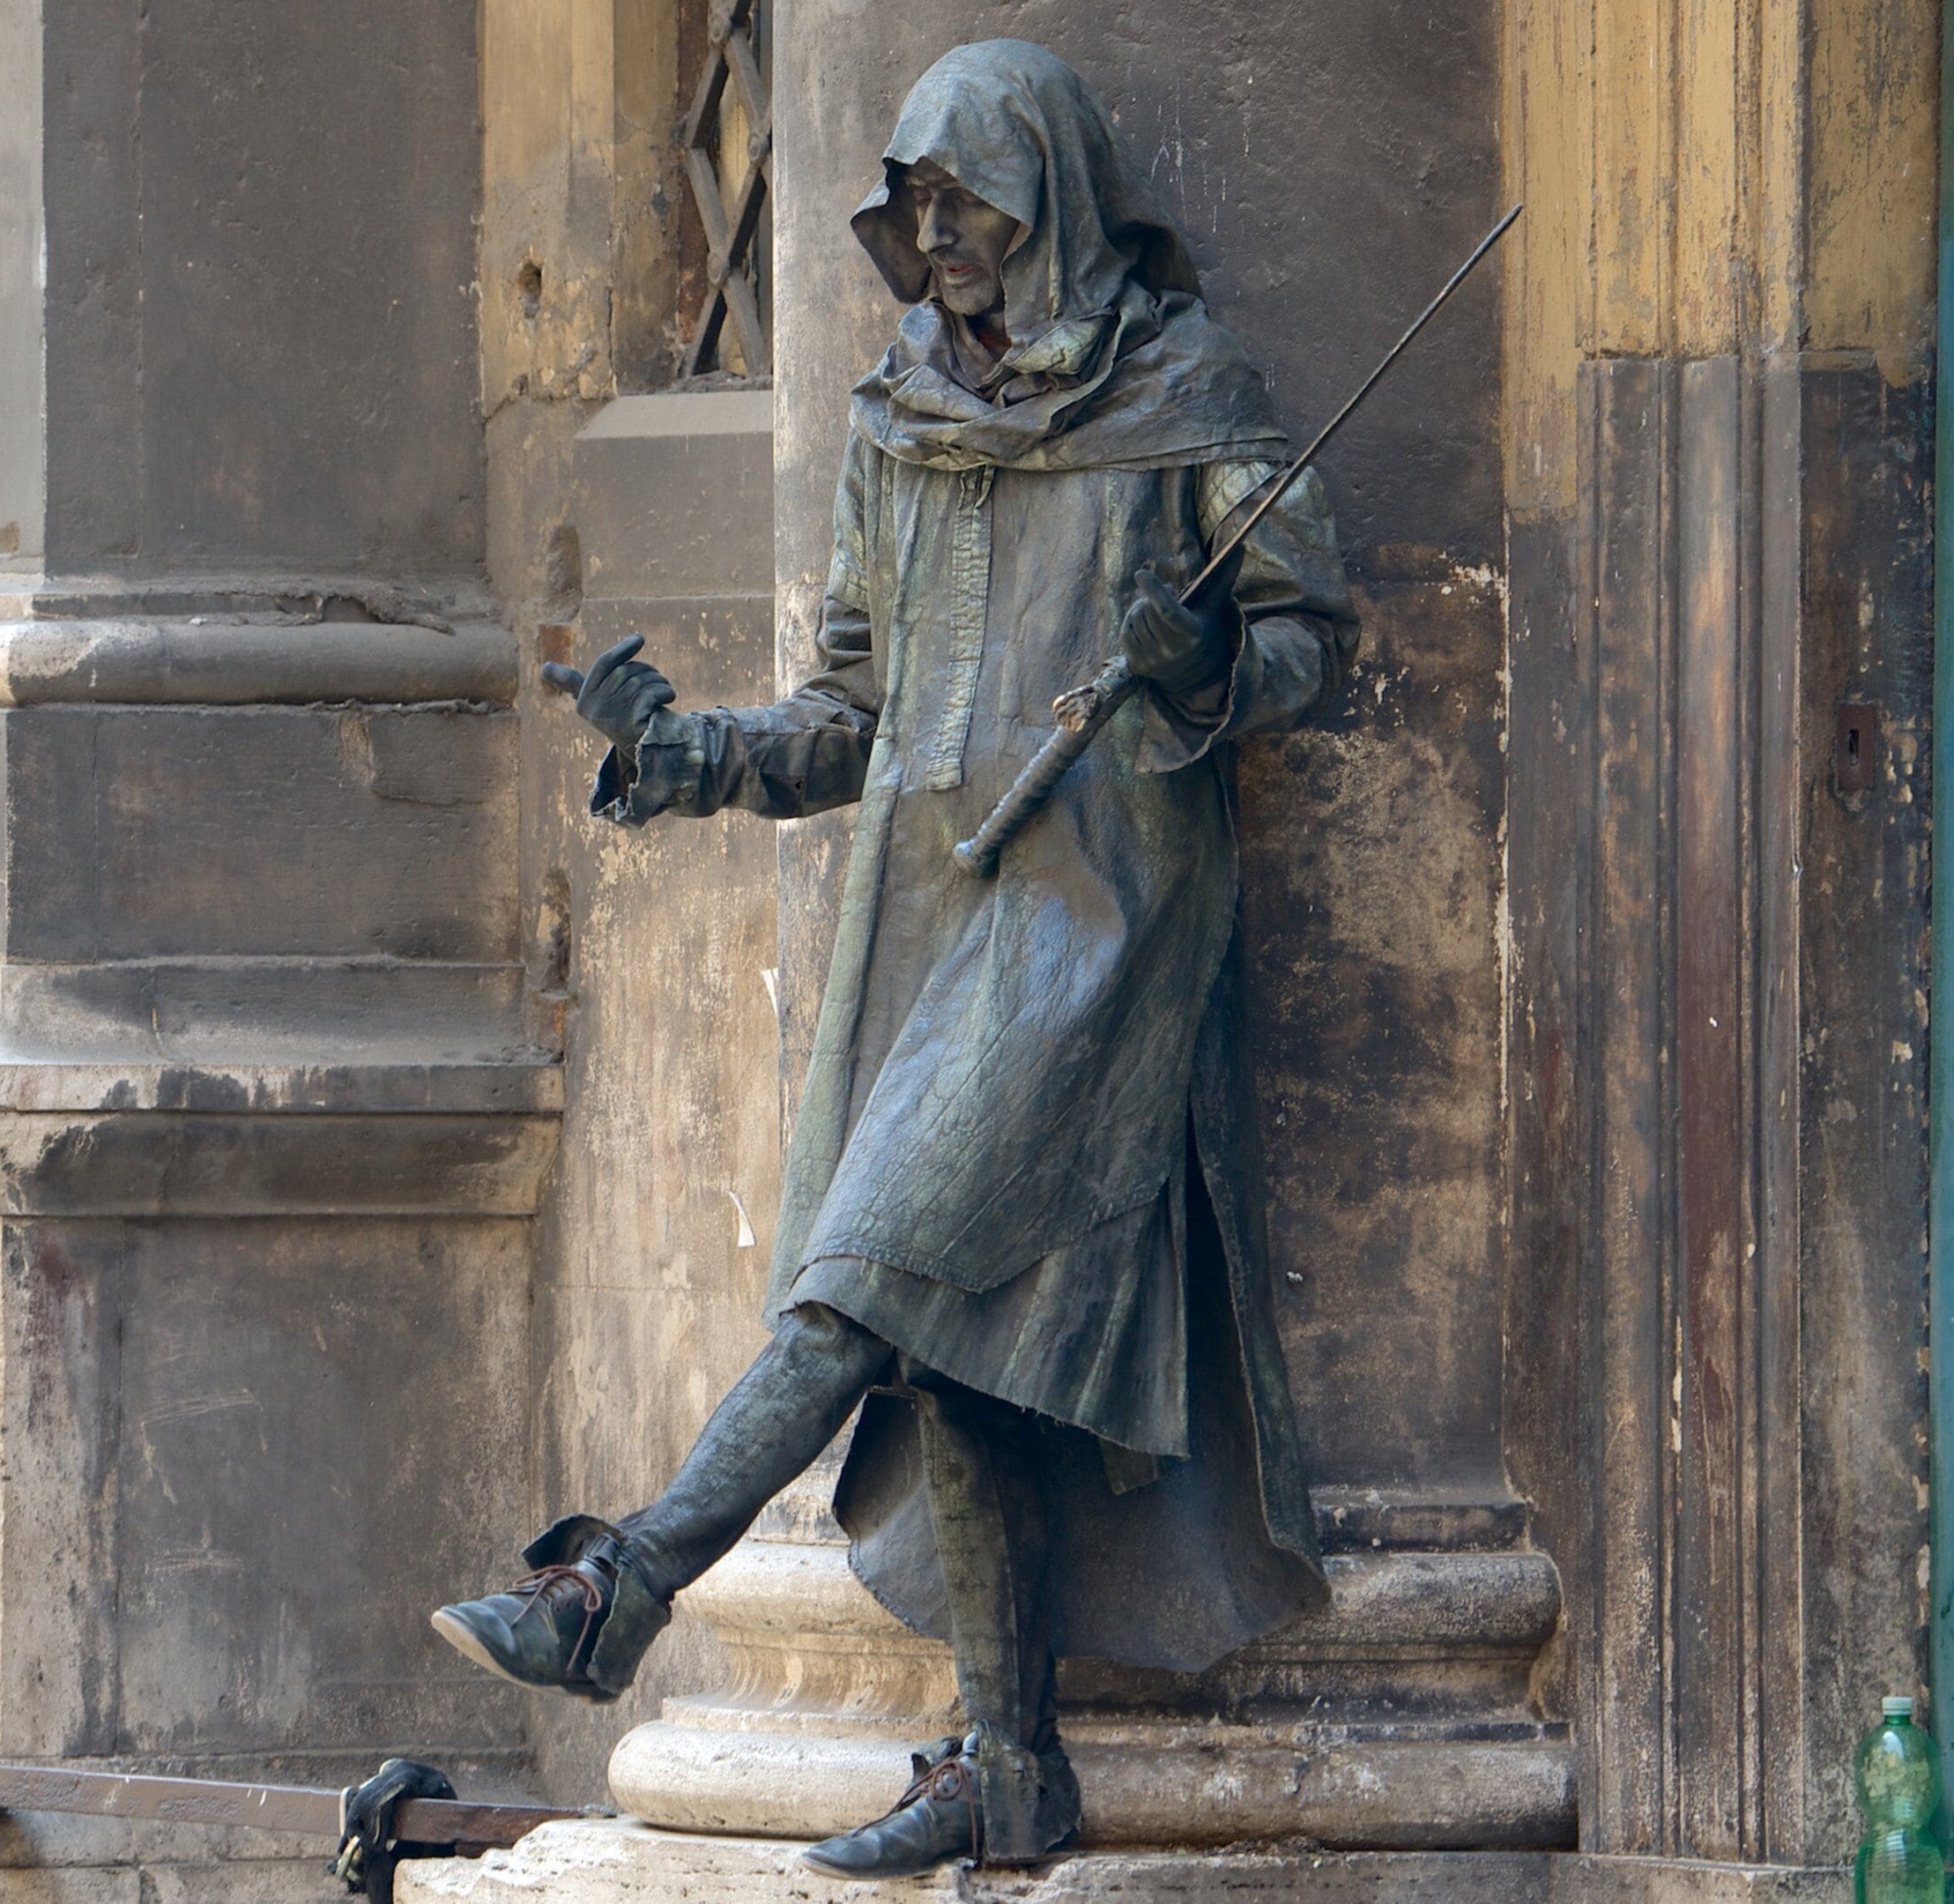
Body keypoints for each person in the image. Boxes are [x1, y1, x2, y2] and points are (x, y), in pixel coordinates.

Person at [427, 39, 1360, 1880]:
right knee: (949, 1355)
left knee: (863, 1278)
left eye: (973, 201)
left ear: (1060, 208)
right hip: (931, 917)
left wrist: (1206, 668)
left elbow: (1306, 644)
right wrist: (687, 753)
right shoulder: (895, 422)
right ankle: (1014, 1774)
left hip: (1102, 925)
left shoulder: (1190, 399)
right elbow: (858, 710)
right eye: (916, 204)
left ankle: (620, 1582)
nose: (939, 237)